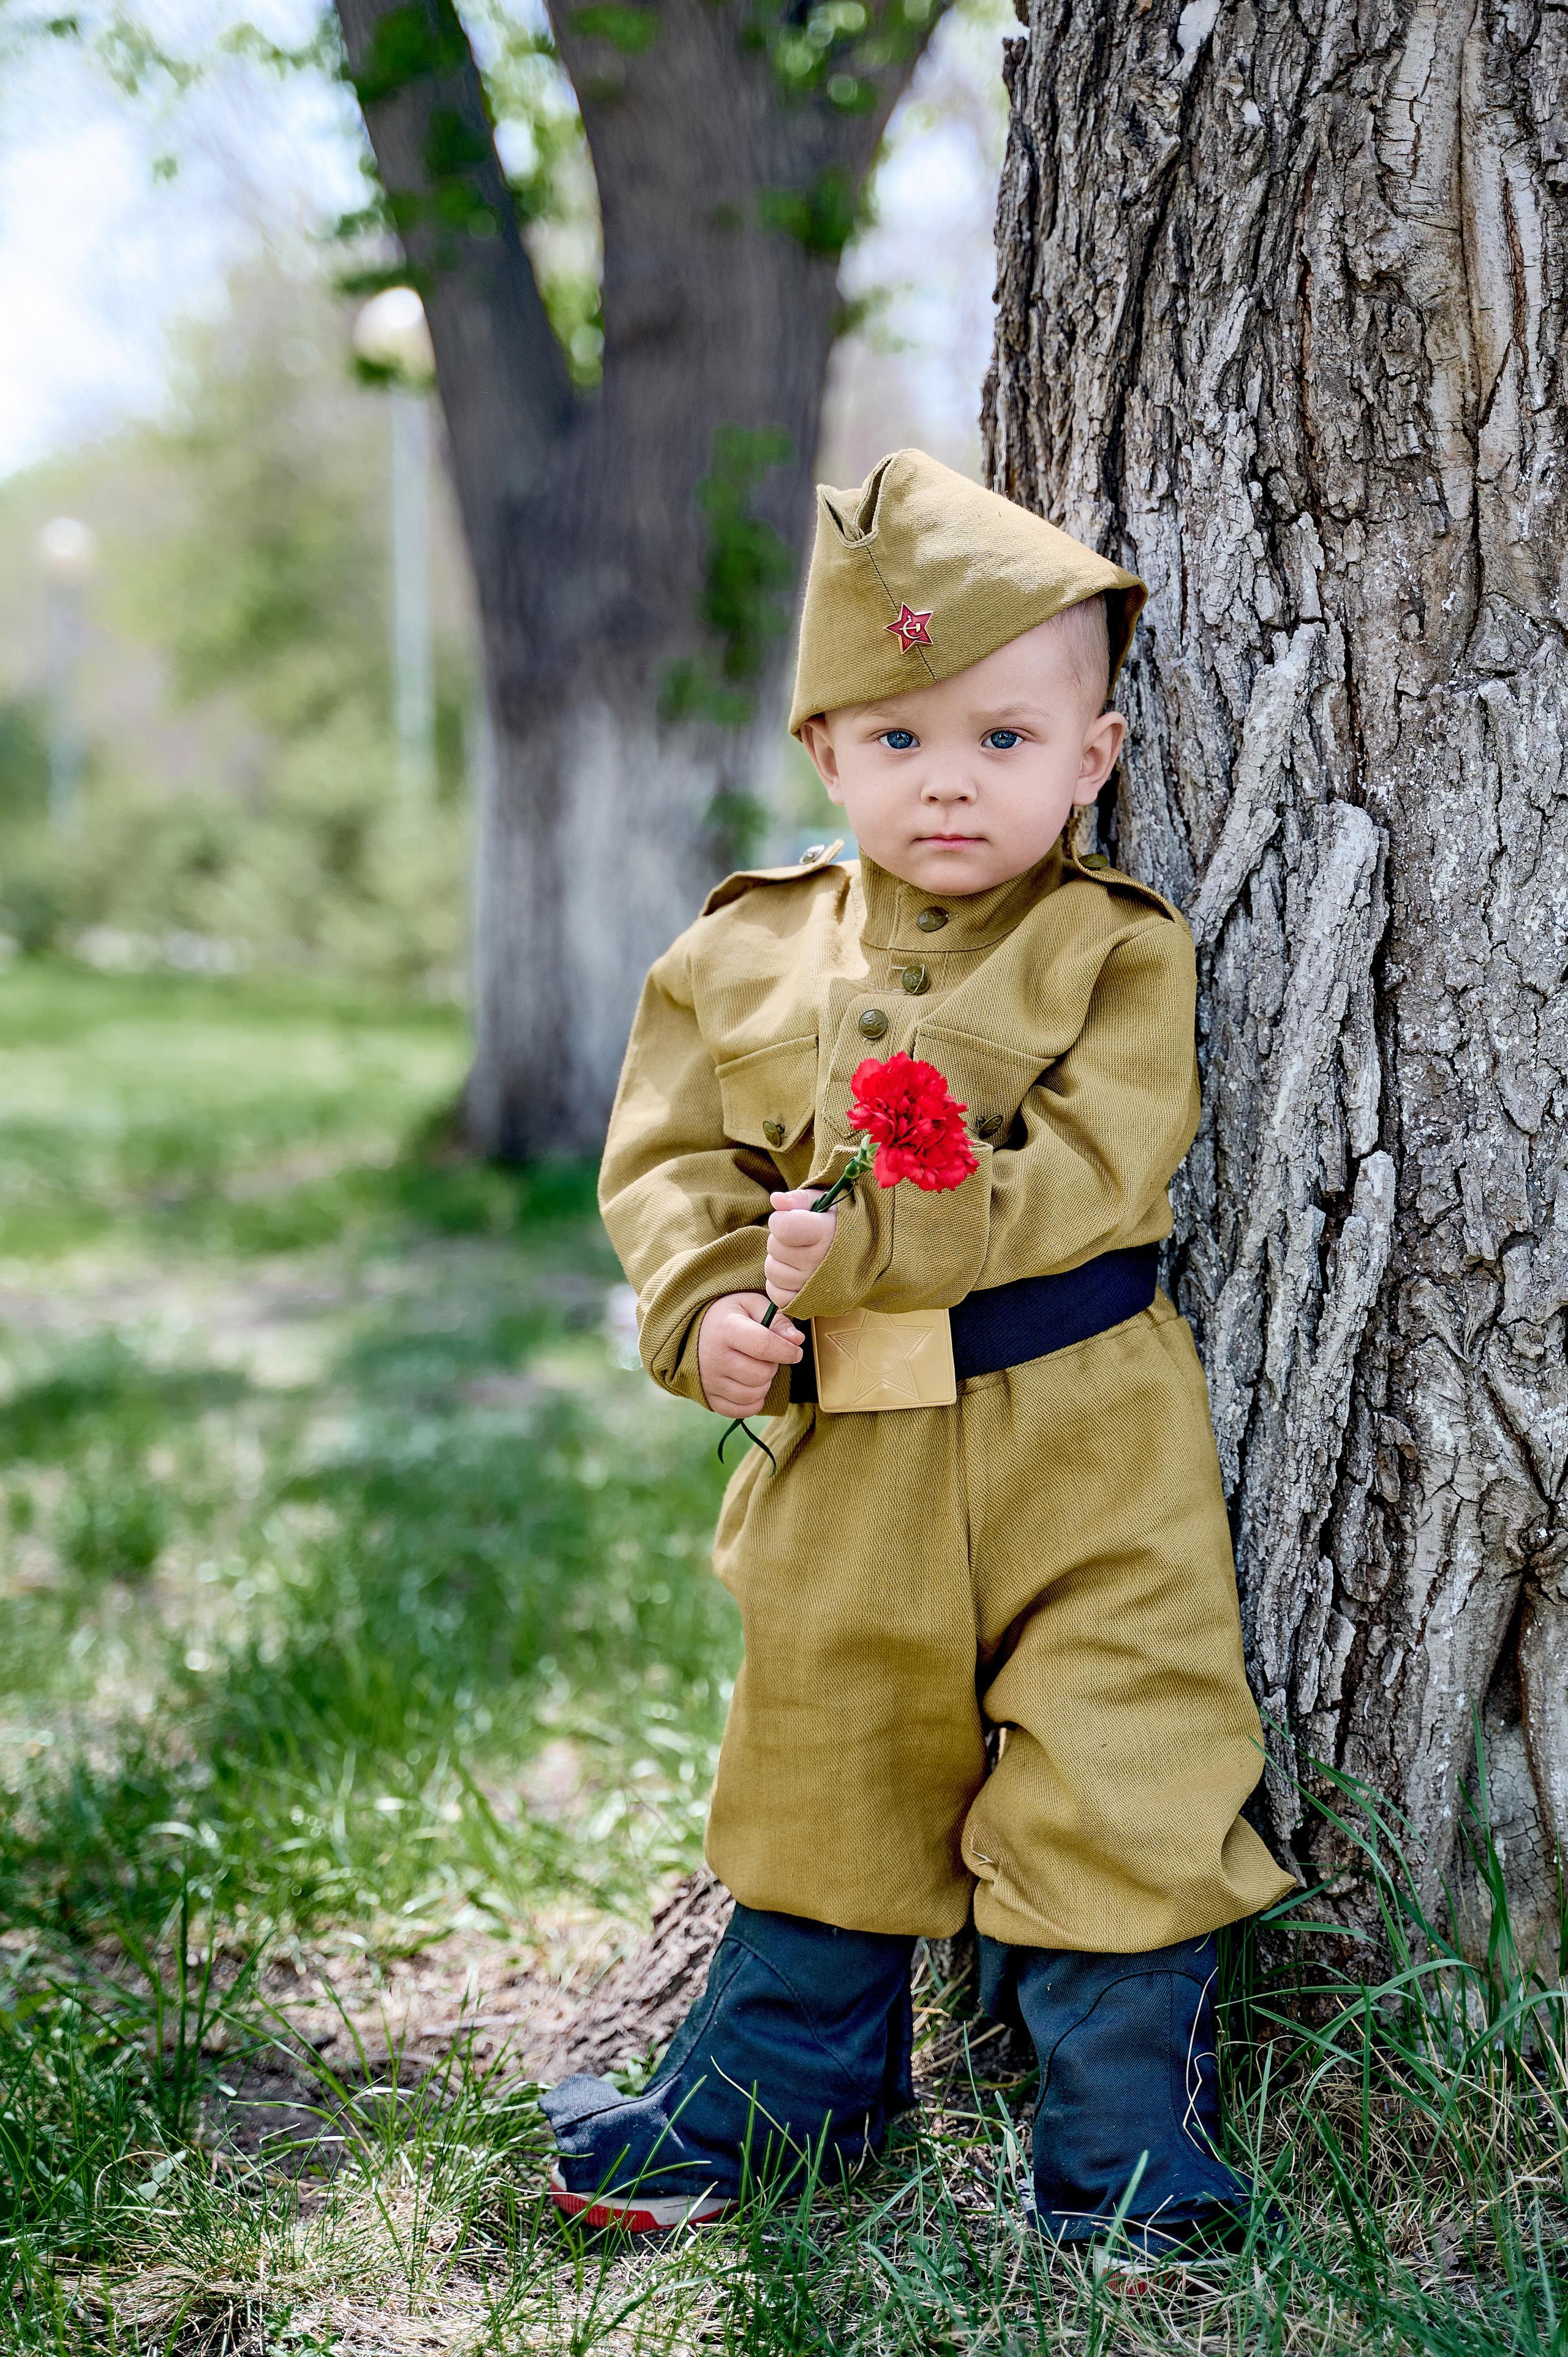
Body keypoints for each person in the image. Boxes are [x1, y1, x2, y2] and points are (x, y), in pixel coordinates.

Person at [543, 450, 1294, 2254]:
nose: (949, 779)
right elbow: (667, 1168)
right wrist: (712, 1309)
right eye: (897, 741)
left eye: (1007, 741)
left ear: (1094, 757)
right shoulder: (739, 955)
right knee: (824, 1740)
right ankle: (782, 2100)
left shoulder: (1115, 952)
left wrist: (885, 1231)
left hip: (1083, 1430)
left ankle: (1121, 2152)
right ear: (822, 751)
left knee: (1127, 1735)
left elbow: (1105, 1168)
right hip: (849, 1445)